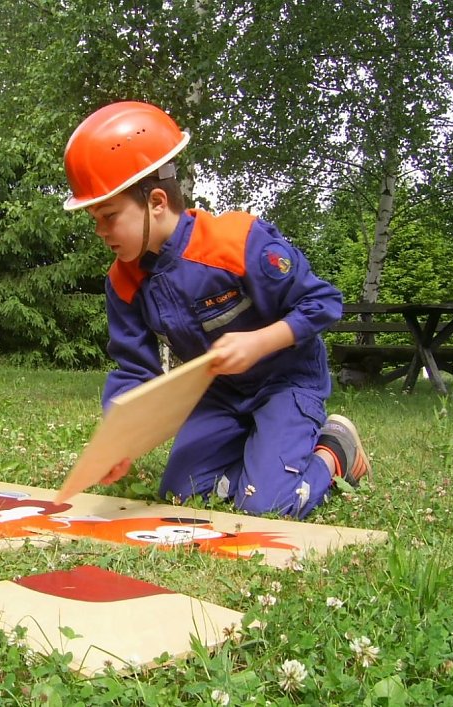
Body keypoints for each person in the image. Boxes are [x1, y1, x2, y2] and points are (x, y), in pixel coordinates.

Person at [61, 101, 370, 518]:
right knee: (181, 496)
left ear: (155, 202)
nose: (100, 231)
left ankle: (334, 452)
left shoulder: (235, 242)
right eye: (95, 218)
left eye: (109, 216)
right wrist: (119, 440)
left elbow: (323, 303)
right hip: (220, 395)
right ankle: (262, 457)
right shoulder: (122, 282)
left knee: (267, 507)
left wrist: (261, 341)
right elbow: (135, 370)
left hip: (286, 382)